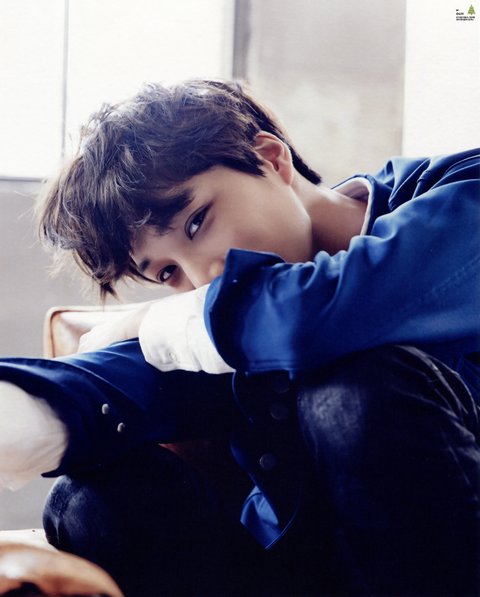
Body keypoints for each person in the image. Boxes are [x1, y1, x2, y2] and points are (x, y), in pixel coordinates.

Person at [0, 79, 479, 596]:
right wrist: (26, 407)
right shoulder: (230, 318)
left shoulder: (463, 192)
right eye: (167, 274)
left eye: (196, 222)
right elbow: (154, 372)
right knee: (87, 501)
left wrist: (155, 320)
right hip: (298, 561)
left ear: (270, 158)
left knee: (357, 388)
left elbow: (330, 310)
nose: (202, 277)